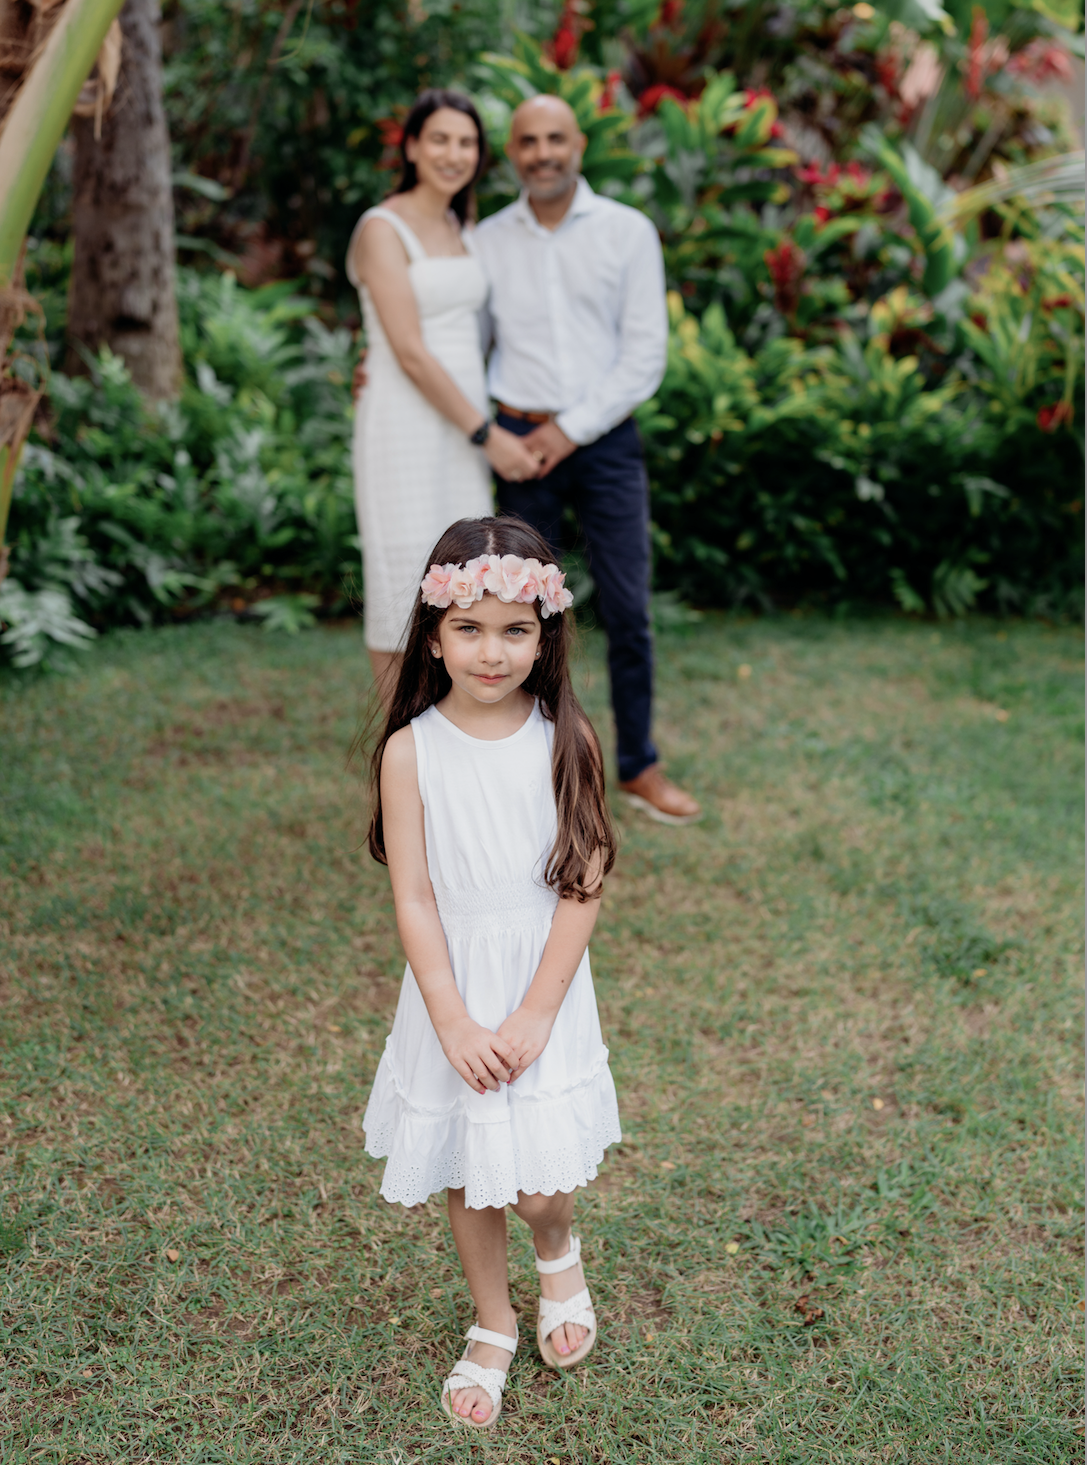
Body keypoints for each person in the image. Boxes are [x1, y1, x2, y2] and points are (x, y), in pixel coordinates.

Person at [363, 514, 621, 1430]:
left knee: (541, 1183)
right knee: (473, 1174)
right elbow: (417, 902)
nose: (491, 651)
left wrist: (537, 1013)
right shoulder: (411, 752)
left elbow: (584, 885)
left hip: (540, 986)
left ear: (545, 633)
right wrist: (455, 1023)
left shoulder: (567, 740)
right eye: (469, 628)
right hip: (454, 992)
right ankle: (493, 1321)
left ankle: (558, 1251)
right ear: (434, 634)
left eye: (515, 629)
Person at [473, 94, 701, 826]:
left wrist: (569, 430)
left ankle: (637, 764)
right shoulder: (486, 239)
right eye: (528, 141)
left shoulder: (627, 233)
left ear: (579, 145)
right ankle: (527, 768)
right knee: (520, 614)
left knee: (628, 608)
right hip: (515, 439)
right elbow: (463, 346)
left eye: (556, 139)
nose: (543, 152)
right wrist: (495, 430)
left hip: (603, 444)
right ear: (513, 154)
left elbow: (645, 355)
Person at [346, 89, 539, 704]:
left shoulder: (466, 226)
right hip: (406, 422)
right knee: (400, 584)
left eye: (466, 142)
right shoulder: (382, 226)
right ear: (411, 147)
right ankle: (399, 752)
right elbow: (408, 349)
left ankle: (450, 743)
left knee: (463, 580)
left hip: (460, 425)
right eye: (439, 139)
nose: (453, 154)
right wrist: (487, 435)